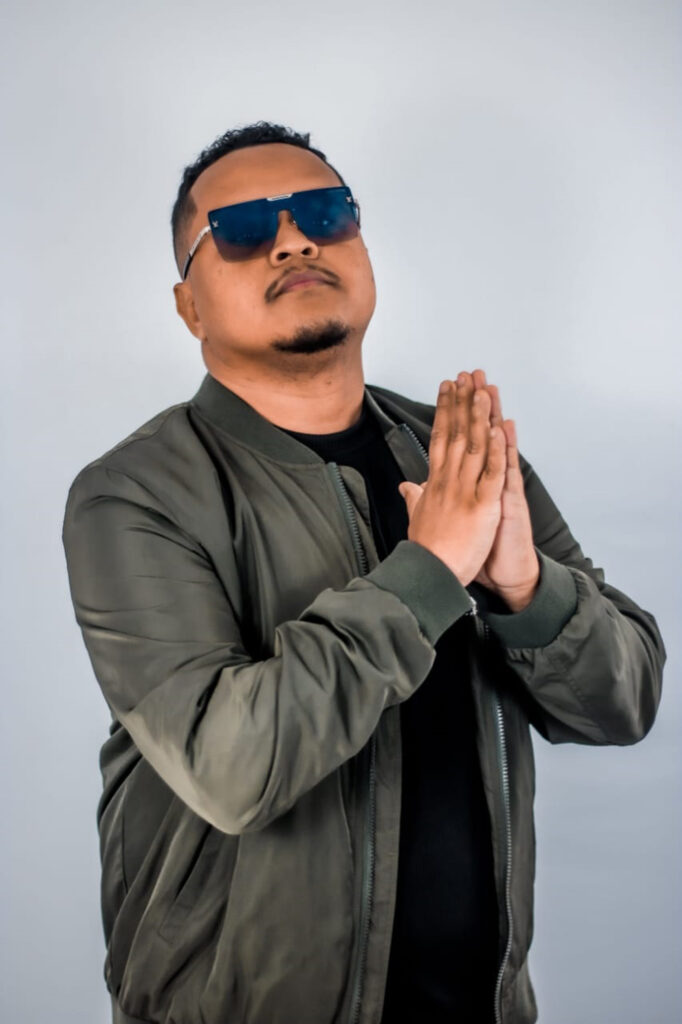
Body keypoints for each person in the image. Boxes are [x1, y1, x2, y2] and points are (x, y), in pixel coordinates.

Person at [61, 122, 666, 1024]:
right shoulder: (135, 495)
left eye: (324, 214)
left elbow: (624, 703)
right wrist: (432, 570)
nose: (293, 242)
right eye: (241, 229)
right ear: (190, 307)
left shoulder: (460, 453)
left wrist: (523, 585)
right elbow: (233, 767)